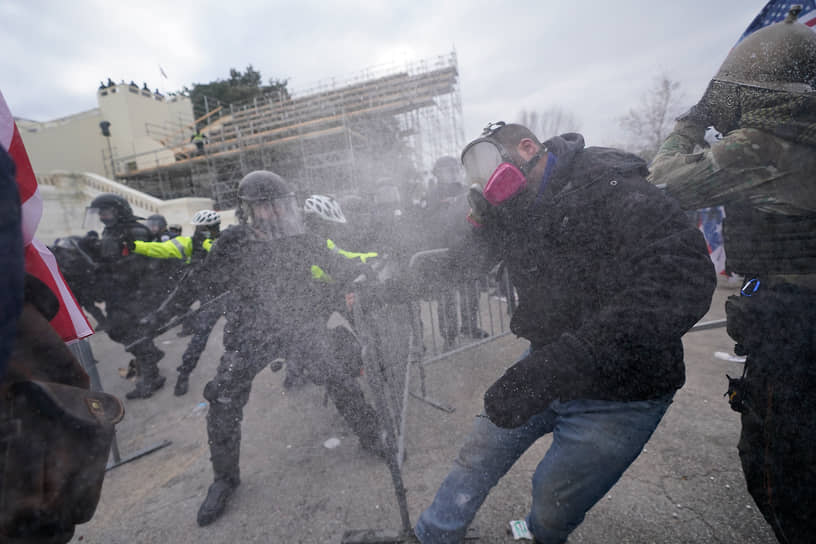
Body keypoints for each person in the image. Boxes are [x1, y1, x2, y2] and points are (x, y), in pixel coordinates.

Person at [414, 122, 716, 544]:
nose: (485, 183)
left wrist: (559, 365)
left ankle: (535, 535)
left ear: (527, 147)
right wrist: (391, 287)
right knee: (479, 451)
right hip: (549, 364)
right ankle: (432, 535)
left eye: (488, 164)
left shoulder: (610, 185)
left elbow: (680, 279)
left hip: (622, 391)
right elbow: (464, 263)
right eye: (475, 175)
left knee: (553, 501)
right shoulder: (514, 210)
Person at [648, 9, 816, 543]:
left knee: (780, 468)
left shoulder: (766, 145)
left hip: (797, 327)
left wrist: (692, 120)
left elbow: (665, 183)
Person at [192, 171, 386, 526]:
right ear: (250, 209)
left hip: (299, 324)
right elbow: (204, 279)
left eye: (281, 205)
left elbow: (337, 264)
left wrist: (364, 272)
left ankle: (373, 437)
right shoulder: (234, 241)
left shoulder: (303, 238)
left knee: (338, 376)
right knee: (222, 397)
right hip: (251, 331)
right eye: (267, 206)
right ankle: (223, 479)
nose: (276, 213)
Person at [83, 193, 168, 399]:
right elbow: (109, 255)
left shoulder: (135, 230)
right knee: (116, 330)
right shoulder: (111, 232)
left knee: (134, 334)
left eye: (106, 211)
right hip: (118, 293)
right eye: (100, 213)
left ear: (119, 211)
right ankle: (150, 355)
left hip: (138, 293)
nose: (102, 216)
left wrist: (107, 269)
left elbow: (141, 262)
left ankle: (151, 376)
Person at [132, 209, 223, 396]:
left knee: (201, 334)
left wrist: (212, 244)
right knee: (168, 307)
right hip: (193, 283)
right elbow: (163, 249)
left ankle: (184, 373)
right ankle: (146, 334)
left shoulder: (221, 243)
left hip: (215, 293)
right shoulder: (190, 242)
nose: (201, 231)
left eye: (205, 228)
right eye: (199, 228)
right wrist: (134, 246)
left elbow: (216, 249)